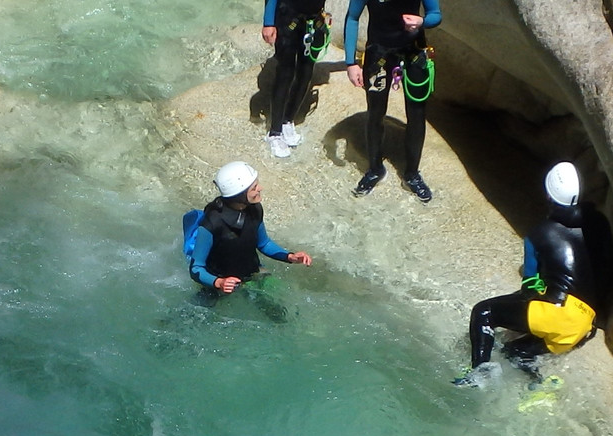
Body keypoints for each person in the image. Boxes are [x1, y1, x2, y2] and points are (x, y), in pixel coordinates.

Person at [455, 162, 613, 386]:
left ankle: (477, 374)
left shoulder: (538, 234)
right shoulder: (599, 224)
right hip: (583, 325)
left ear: (549, 196)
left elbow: (529, 287)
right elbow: (606, 270)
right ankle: (539, 385)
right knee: (514, 351)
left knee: (483, 312)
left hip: (556, 314)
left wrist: (512, 307)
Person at [343, 0, 442, 202]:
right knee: (375, 112)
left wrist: (422, 21)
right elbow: (352, 18)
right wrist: (350, 63)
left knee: (417, 114)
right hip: (378, 53)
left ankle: (412, 174)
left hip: (413, 52)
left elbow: (436, 14)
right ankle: (374, 168)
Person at [188, 161, 313, 315]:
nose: (260, 188)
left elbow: (264, 243)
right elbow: (195, 268)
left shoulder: (255, 210)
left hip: (252, 274)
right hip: (219, 281)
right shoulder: (212, 223)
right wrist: (219, 282)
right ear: (239, 195)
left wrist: (290, 256)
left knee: (281, 314)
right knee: (192, 316)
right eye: (254, 188)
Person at [262, 0, 330, 158]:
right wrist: (268, 22)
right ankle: (275, 132)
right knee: (285, 73)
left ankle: (288, 120)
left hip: (313, 21)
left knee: (306, 72)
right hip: (288, 18)